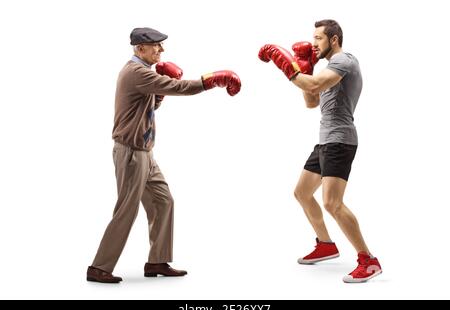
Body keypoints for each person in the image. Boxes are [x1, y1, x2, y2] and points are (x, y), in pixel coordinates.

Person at [87, 27, 241, 283]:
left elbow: (151, 104)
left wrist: (158, 97)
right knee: (127, 210)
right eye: (156, 45)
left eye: (160, 45)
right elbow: (178, 87)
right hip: (131, 153)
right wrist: (212, 80)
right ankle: (99, 267)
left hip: (145, 152)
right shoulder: (135, 72)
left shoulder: (144, 73)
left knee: (163, 201)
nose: (161, 50)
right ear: (140, 49)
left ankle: (157, 261)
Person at [258, 19, 382, 283]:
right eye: (312, 38)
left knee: (332, 203)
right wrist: (307, 68)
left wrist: (287, 67)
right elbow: (311, 100)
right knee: (302, 193)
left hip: (340, 141)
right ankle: (326, 245)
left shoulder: (344, 62)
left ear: (334, 39)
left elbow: (312, 86)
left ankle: (368, 261)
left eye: (318, 38)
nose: (313, 43)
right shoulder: (327, 68)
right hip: (325, 140)